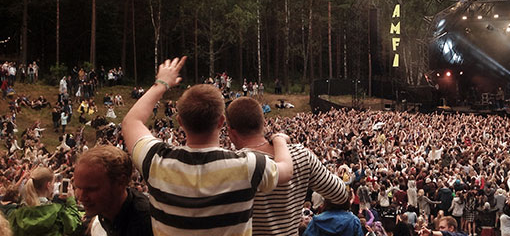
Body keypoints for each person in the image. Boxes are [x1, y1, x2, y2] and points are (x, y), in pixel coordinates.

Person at [122, 57, 294, 235]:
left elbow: (130, 122)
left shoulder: (156, 160)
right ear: (221, 121)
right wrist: (279, 139)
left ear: (180, 122)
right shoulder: (248, 166)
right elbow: (286, 170)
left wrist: (161, 83)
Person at [226, 96, 348, 236]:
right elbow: (340, 193)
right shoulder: (301, 155)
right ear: (264, 123)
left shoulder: (232, 165)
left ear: (230, 131)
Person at [74, 145, 152, 236]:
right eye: (78, 188)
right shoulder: (104, 210)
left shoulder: (148, 224)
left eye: (91, 189)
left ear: (120, 182)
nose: (81, 197)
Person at [7, 166, 82, 236]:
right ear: (48, 185)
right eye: (53, 182)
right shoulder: (58, 212)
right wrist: (71, 200)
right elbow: (73, 226)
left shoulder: (15, 215)